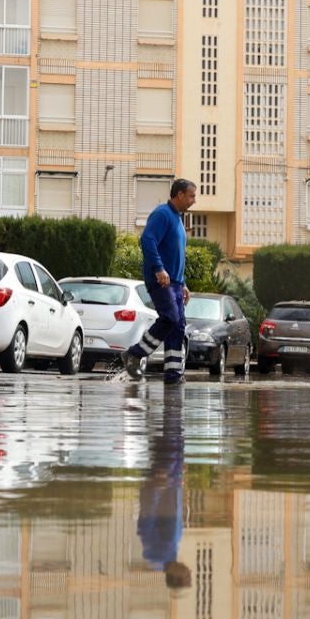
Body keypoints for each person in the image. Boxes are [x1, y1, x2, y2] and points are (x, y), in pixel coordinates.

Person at [118, 178, 197, 386]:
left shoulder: (178, 219)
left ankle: (173, 375)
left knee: (178, 328)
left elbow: (176, 255)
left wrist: (183, 283)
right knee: (170, 319)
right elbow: (147, 240)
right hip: (161, 282)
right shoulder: (162, 214)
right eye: (191, 196)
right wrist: (159, 269)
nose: (193, 201)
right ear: (179, 195)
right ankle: (134, 354)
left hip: (175, 284)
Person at [137, 389, 191, 591]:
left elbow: (147, 520)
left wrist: (155, 486)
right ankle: (167, 398)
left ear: (174, 576)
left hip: (161, 480)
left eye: (186, 577)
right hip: (171, 480)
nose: (189, 572)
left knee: (169, 435)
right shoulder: (169, 555)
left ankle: (165, 396)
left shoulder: (157, 554)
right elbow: (175, 513)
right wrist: (179, 479)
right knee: (174, 438)